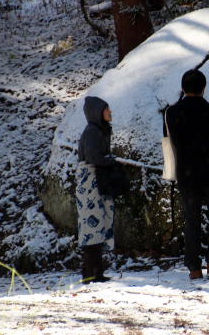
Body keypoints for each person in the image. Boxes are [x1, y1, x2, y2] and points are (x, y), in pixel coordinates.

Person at [166, 69, 209, 280]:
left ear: (183, 88)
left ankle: (194, 268)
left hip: (187, 174)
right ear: (203, 88)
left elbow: (168, 142)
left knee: (191, 221)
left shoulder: (171, 112)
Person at [76, 96, 117, 283]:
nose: (110, 112)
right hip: (90, 184)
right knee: (92, 226)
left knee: (99, 225)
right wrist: (111, 160)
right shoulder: (92, 131)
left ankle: (96, 272)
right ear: (98, 112)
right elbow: (94, 158)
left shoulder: (99, 130)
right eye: (107, 109)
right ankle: (90, 273)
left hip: (97, 182)